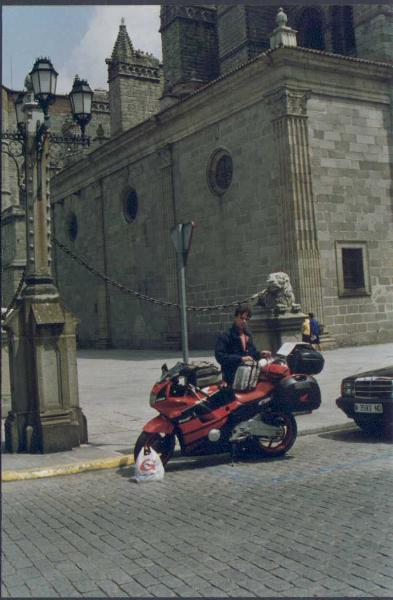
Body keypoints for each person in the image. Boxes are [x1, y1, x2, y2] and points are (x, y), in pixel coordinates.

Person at [215, 305, 271, 386]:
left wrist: (260, 354)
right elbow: (220, 356)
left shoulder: (247, 335)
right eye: (241, 318)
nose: (244, 321)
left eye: (246, 319)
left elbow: (252, 354)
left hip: (247, 377)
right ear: (235, 318)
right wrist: (240, 359)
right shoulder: (226, 335)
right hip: (231, 377)